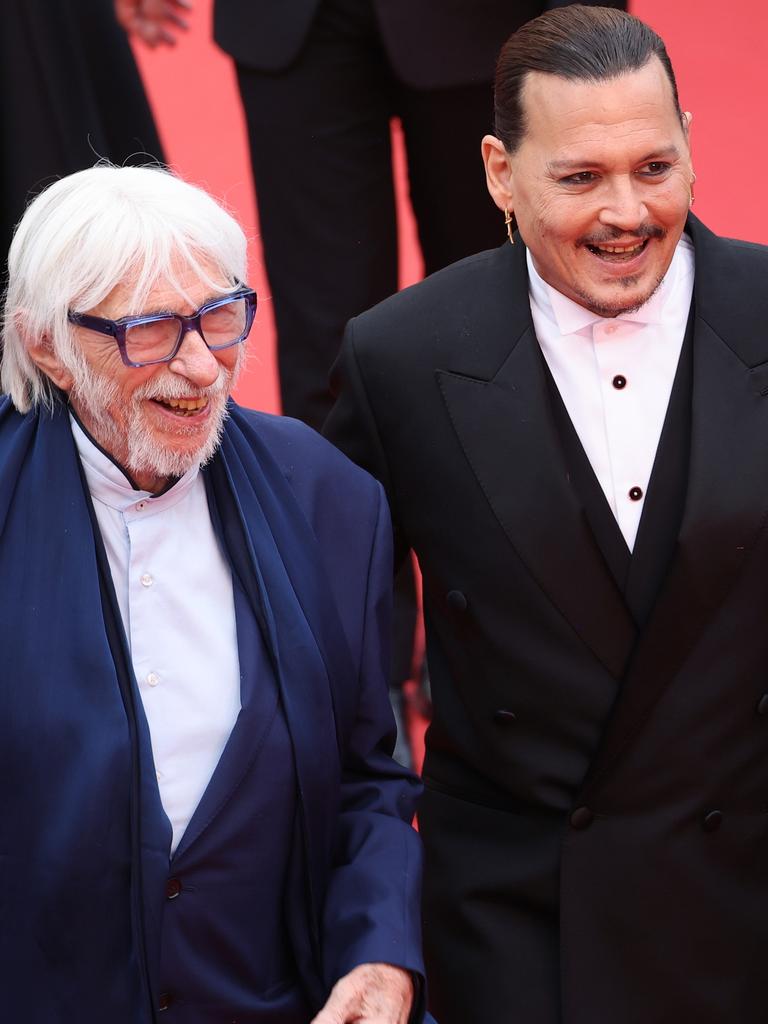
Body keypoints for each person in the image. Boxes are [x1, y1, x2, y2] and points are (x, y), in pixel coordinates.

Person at [324, 6, 768, 1022]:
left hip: (746, 903)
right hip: (520, 927)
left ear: (692, 142)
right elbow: (344, 680)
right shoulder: (401, 358)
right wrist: (374, 930)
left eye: (656, 167)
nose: (627, 212)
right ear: (497, 173)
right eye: (579, 179)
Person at [0, 164, 432, 1024]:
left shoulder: (331, 498)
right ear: (45, 343)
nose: (201, 367)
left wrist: (380, 952)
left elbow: (366, 780)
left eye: (221, 316)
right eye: (152, 330)